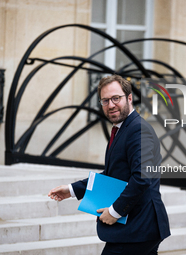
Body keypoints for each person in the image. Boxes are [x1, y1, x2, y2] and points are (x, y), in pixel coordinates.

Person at [48, 75, 170, 255]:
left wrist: (114, 212)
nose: (111, 105)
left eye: (116, 98)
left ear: (129, 98)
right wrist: (73, 189)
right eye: (105, 100)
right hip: (141, 229)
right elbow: (114, 173)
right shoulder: (123, 128)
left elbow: (141, 177)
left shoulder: (138, 129)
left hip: (139, 227)